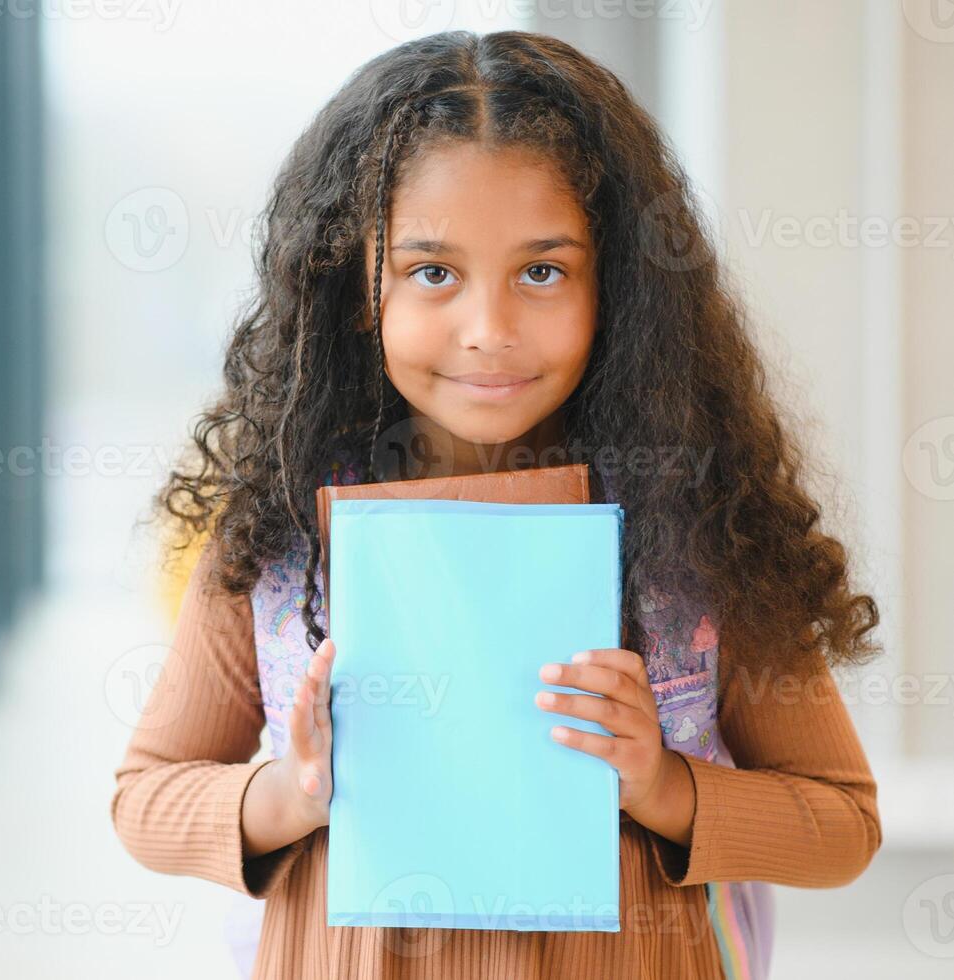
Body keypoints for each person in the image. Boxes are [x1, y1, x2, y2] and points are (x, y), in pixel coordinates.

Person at [114, 30, 882, 979]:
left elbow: (842, 824)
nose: (489, 331)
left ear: (623, 289)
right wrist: (293, 794)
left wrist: (662, 785)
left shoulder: (697, 522)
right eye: (431, 272)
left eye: (542, 271)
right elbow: (144, 798)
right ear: (357, 286)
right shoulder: (278, 530)